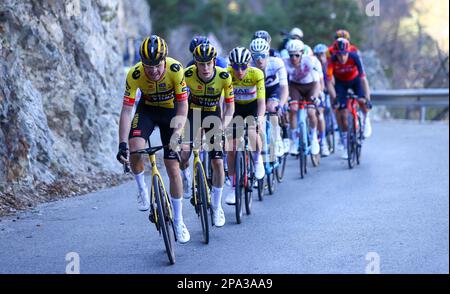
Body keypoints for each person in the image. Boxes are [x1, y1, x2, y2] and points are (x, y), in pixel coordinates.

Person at [116, 35, 191, 243]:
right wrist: (122, 143)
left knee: (173, 166)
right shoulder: (135, 74)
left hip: (171, 112)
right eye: (149, 67)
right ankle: (141, 189)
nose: (153, 71)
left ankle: (178, 220)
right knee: (135, 148)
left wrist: (177, 133)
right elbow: (126, 110)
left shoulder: (176, 70)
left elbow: (183, 105)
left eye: (157, 66)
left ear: (164, 61)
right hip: (147, 111)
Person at [180, 43, 235, 227]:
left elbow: (230, 107)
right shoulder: (186, 75)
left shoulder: (224, 76)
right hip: (192, 114)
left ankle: (217, 205)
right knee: (184, 153)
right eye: (201, 64)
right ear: (195, 63)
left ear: (214, 62)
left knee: (218, 161)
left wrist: (223, 127)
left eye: (208, 63)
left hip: (213, 115)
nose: (205, 68)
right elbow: (179, 102)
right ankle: (186, 176)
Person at [225, 47, 266, 205]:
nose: (240, 71)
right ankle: (234, 187)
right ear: (231, 66)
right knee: (231, 148)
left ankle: (257, 159)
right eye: (236, 66)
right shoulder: (226, 74)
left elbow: (262, 102)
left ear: (249, 64)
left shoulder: (256, 74)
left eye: (243, 66)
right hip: (234, 109)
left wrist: (260, 118)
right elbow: (223, 102)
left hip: (252, 106)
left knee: (251, 130)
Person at [326, 38, 372, 159]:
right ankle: (346, 145)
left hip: (355, 80)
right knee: (342, 114)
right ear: (336, 53)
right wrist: (334, 97)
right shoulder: (332, 61)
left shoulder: (355, 57)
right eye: (339, 55)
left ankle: (366, 120)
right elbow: (329, 82)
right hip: (341, 83)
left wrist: (367, 98)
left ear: (348, 52)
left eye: (344, 54)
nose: (342, 58)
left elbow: (363, 79)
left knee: (362, 101)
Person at [249, 37, 289, 155]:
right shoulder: (249, 65)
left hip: (273, 89)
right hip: (257, 91)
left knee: (272, 109)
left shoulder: (276, 62)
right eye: (256, 56)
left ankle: (277, 140)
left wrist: (281, 104)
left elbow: (284, 87)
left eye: (262, 55)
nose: (259, 59)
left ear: (268, 53)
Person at [283, 39, 322, 156]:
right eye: (291, 55)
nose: (293, 58)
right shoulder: (285, 62)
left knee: (311, 112)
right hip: (295, 86)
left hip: (311, 85)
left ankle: (314, 137)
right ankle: (294, 141)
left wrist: (317, 96)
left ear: (302, 53)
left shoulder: (310, 61)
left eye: (296, 55)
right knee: (293, 109)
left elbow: (318, 82)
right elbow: (283, 83)